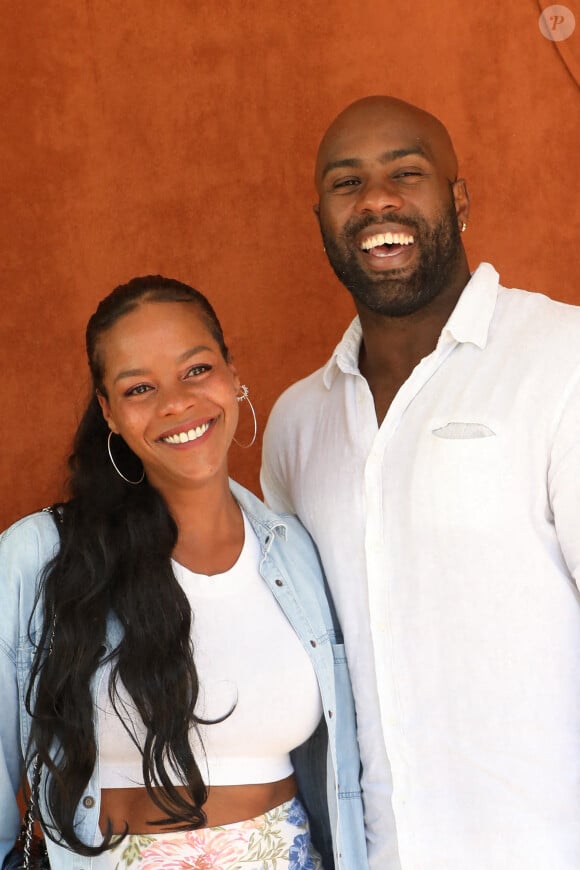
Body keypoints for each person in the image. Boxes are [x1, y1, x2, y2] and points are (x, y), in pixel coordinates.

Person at [260, 95, 580, 870]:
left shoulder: (561, 360)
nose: (377, 200)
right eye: (348, 183)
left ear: (459, 199)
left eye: (406, 172)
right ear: (322, 221)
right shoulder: (297, 423)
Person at [0, 275, 367, 870]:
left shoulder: (297, 553)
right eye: (140, 387)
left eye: (196, 370)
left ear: (232, 371)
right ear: (109, 412)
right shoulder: (40, 557)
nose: (176, 403)